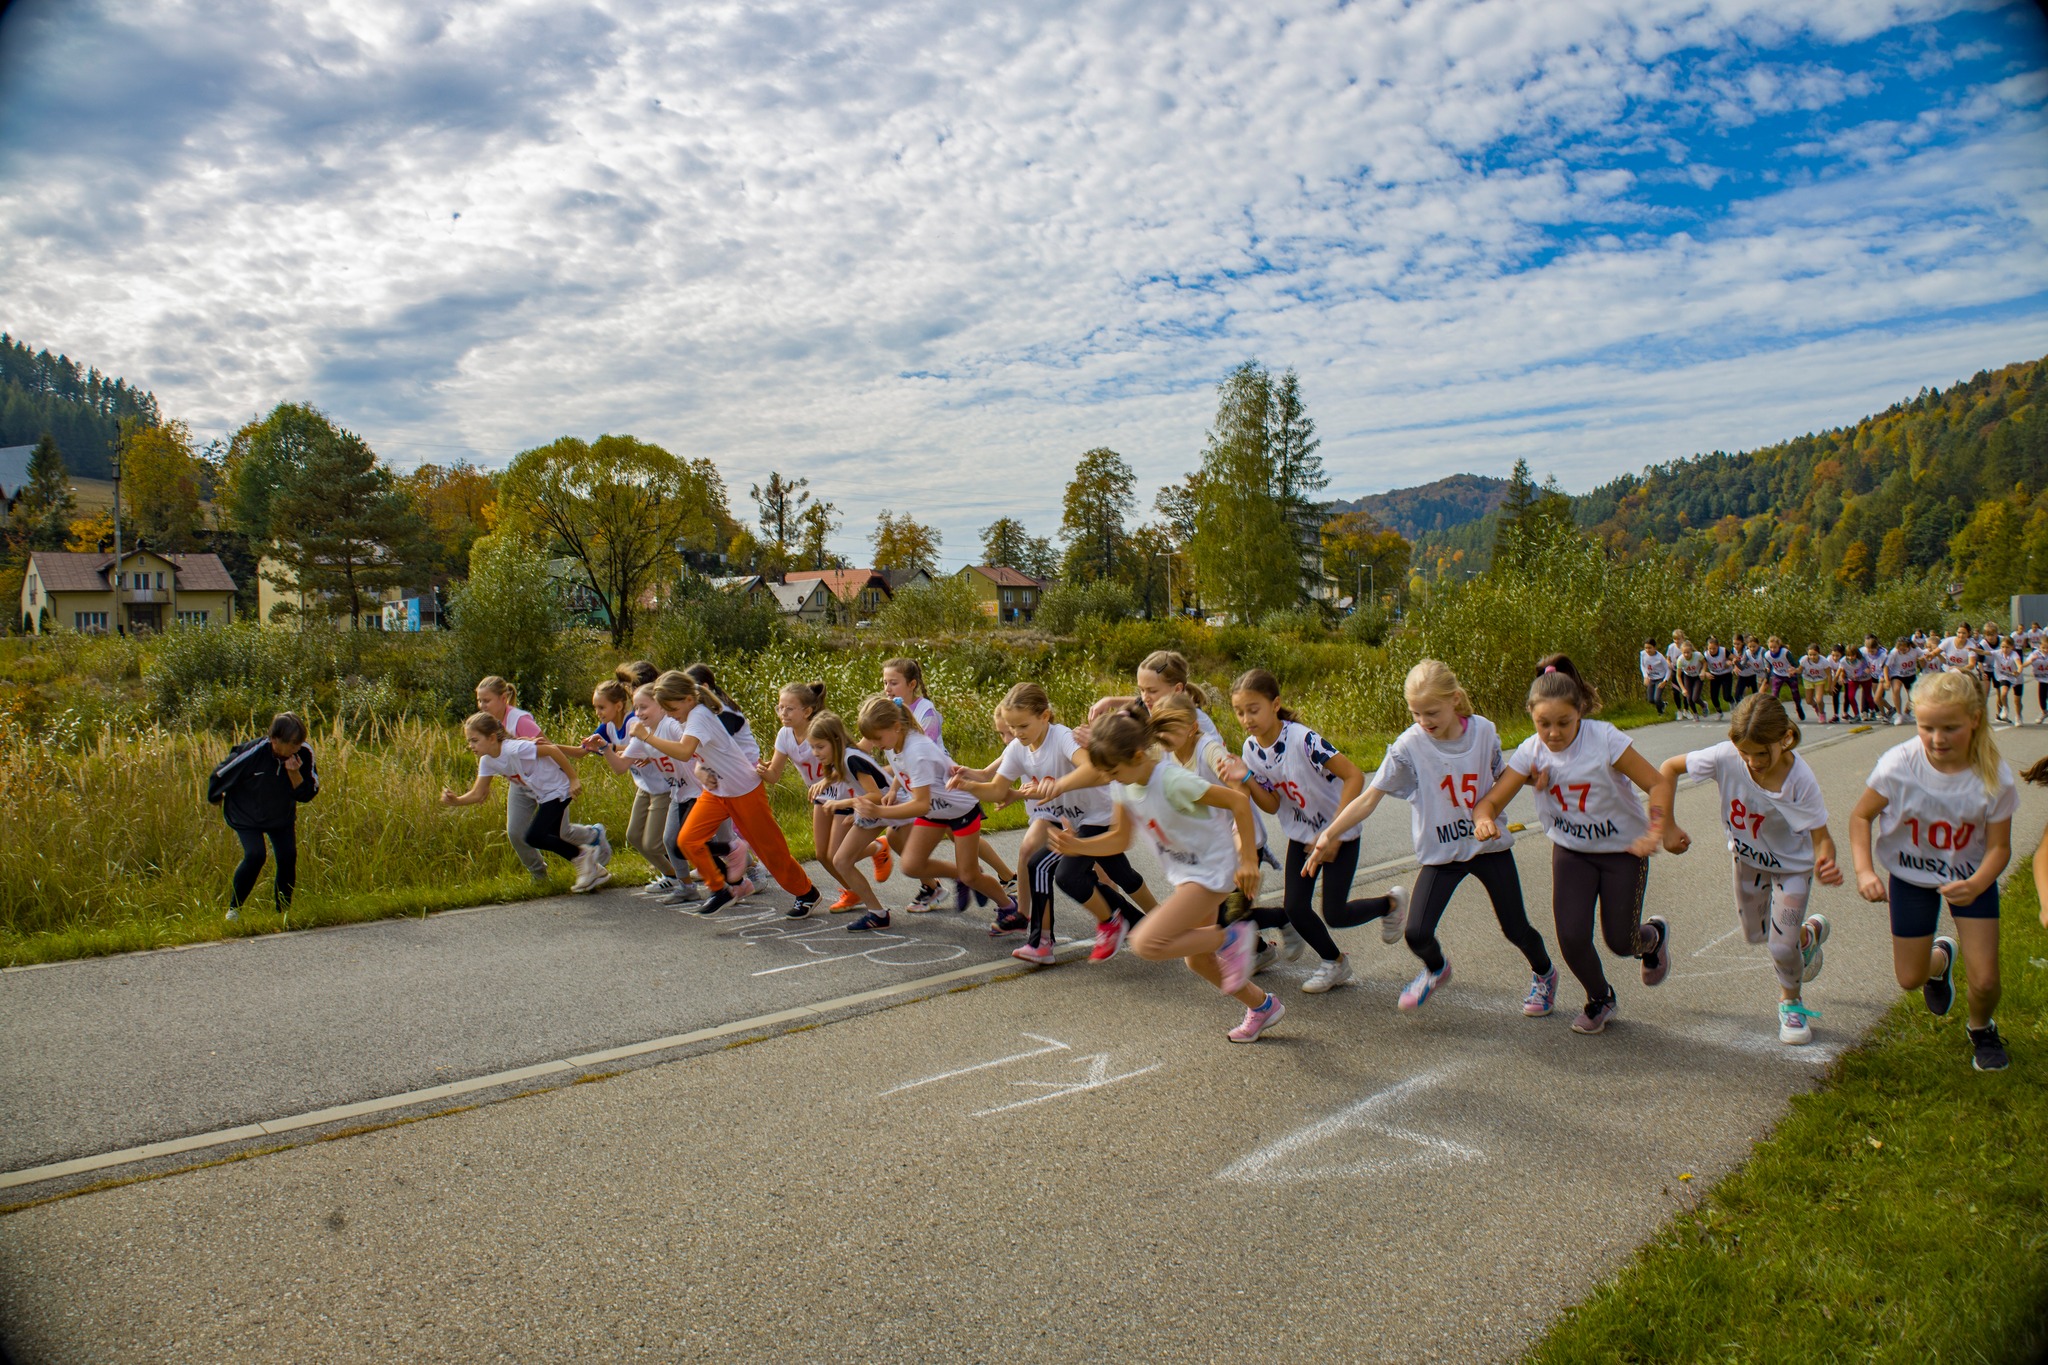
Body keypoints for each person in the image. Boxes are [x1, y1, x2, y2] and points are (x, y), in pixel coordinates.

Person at [1306, 660, 1557, 1016]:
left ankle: (1544, 973)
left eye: (1431, 712)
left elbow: (1502, 774)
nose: (1424, 721)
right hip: (1442, 852)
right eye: (1416, 713)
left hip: (1487, 847)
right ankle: (1437, 969)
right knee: (1417, 933)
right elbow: (1369, 797)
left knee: (1516, 928)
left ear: (1455, 700)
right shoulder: (1409, 746)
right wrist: (1329, 834)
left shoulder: (1484, 732)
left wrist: (1534, 778)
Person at [1049, 705, 1279, 1042]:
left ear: (1138, 755)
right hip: (1187, 871)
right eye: (1107, 774)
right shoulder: (1123, 785)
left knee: (1147, 942)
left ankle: (1231, 938)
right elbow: (1119, 838)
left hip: (1213, 869)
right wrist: (1077, 847)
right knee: (1197, 961)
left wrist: (1247, 859)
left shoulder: (1171, 780)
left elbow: (1238, 803)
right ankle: (1262, 1007)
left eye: (1114, 771)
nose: (1110, 779)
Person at [1472, 655, 1675, 1035]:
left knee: (1620, 941)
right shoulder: (1532, 750)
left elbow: (1658, 783)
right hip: (1572, 852)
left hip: (1624, 852)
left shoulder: (1606, 739)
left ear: (1579, 711)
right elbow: (1490, 801)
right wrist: (1484, 820)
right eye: (1543, 723)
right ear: (1532, 717)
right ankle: (1600, 997)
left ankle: (1652, 937)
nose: (1552, 733)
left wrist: (1658, 829)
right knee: (1571, 936)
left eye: (1563, 723)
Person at [1849, 672, 2017, 1072]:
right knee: (1909, 978)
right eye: (1927, 728)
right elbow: (1860, 816)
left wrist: (1977, 883)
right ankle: (1940, 961)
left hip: (1971, 880)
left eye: (1950, 728)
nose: (1937, 739)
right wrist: (1864, 871)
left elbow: (1999, 848)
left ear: (1975, 719)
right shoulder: (1898, 764)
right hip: (1909, 877)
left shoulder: (1994, 778)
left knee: (1987, 981)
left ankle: (1981, 1029)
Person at [1658, 695, 1840, 1045]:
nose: (1753, 761)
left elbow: (1822, 838)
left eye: (1762, 753)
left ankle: (1791, 1004)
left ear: (1785, 738)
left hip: (1792, 869)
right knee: (1760, 936)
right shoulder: (1726, 756)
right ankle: (1806, 937)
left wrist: (1825, 859)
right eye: (1746, 753)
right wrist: (1667, 826)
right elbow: (1668, 768)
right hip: (1748, 861)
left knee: (1780, 948)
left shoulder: (1799, 779)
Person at [1221, 667, 1404, 994]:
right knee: (1295, 907)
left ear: (1275, 704)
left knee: (1335, 913)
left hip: (1339, 833)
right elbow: (1273, 805)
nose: (1246, 718)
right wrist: (1246, 777)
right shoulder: (1251, 749)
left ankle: (1390, 904)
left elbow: (1354, 776)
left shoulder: (1303, 739)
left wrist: (1332, 832)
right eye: (1239, 712)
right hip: (1303, 836)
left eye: (1253, 709)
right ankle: (1334, 962)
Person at [953, 683, 1149, 965]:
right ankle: (1137, 923)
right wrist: (967, 786)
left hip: (1099, 816)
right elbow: (997, 790)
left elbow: (1095, 768)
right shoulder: (1018, 749)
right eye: (1012, 727)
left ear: (1045, 716)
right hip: (1074, 819)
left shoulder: (1062, 737)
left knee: (1063, 871)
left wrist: (1057, 787)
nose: (1017, 733)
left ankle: (1092, 928)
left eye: (1023, 726)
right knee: (1112, 875)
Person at [632, 669, 820, 918]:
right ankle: (721, 890)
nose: (669, 714)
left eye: (671, 708)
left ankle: (807, 893)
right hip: (717, 791)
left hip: (744, 791)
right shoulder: (686, 717)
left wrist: (646, 736)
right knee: (687, 840)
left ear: (688, 700)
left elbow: (684, 751)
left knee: (770, 851)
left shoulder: (699, 714)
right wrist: (700, 771)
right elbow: (700, 755)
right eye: (665, 709)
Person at [852, 693, 1021, 933]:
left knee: (972, 876)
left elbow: (920, 804)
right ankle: (961, 875)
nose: (876, 744)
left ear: (896, 726)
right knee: (911, 865)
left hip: (960, 810)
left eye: (877, 737)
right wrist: (893, 788)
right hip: (935, 811)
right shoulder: (895, 742)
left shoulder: (917, 750)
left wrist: (878, 810)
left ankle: (1009, 907)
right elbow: (904, 771)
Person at [884, 655, 1016, 905]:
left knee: (959, 836)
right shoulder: (890, 712)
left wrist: (892, 787)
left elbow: (918, 755)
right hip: (917, 784)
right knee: (896, 836)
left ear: (911, 684)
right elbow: (899, 761)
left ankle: (1002, 876)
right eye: (885, 683)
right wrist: (894, 787)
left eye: (893, 683)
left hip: (942, 784)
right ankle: (934, 883)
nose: (887, 689)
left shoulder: (926, 711)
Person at [441, 712, 608, 892]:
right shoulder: (487, 761)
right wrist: (456, 800)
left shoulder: (515, 748)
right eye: (469, 741)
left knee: (533, 836)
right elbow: (477, 793)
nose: (470, 746)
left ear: (491, 738)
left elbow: (552, 750)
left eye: (474, 740)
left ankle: (584, 855)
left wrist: (573, 779)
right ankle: (595, 869)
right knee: (550, 836)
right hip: (543, 795)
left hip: (558, 789)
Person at [474, 675, 608, 882]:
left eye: (486, 700)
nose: (482, 705)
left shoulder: (520, 720)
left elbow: (549, 748)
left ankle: (594, 836)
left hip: (547, 782)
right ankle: (539, 876)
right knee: (516, 833)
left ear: (503, 698)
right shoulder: (487, 725)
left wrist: (576, 757)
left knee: (560, 834)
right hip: (521, 784)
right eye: (479, 700)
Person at [208, 711, 319, 921]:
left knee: (288, 856)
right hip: (245, 814)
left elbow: (309, 793)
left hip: (280, 815)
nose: (297, 748)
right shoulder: (253, 752)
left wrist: (294, 774)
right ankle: (234, 910)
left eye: (300, 743)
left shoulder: (304, 752)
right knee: (256, 855)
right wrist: (215, 798)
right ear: (275, 740)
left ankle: (283, 912)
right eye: (293, 744)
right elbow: (220, 774)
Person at [758, 681, 851, 907]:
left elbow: (847, 763)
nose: (783, 713)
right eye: (780, 707)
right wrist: (759, 768)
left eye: (790, 708)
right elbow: (774, 776)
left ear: (807, 711)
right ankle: (852, 890)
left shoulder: (821, 730)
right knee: (822, 855)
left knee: (838, 854)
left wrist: (826, 780)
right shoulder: (784, 734)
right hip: (821, 796)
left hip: (843, 792)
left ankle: (877, 849)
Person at [581, 680, 679, 896]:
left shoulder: (643, 724)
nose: (597, 712)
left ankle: (682, 872)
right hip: (645, 786)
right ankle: (673, 875)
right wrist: (604, 747)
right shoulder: (616, 729)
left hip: (664, 788)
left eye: (601, 707)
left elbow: (663, 746)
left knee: (654, 843)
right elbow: (615, 763)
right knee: (634, 837)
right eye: (595, 707)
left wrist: (619, 748)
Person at [807, 712, 898, 921]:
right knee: (840, 860)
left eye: (820, 747)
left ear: (836, 741)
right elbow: (845, 774)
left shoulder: (852, 759)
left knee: (916, 864)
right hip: (875, 811)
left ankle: (953, 881)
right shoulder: (845, 757)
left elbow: (875, 795)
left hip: (893, 807)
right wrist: (826, 781)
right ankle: (877, 913)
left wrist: (843, 803)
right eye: (813, 747)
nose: (815, 753)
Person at [1883, 635, 1921, 725]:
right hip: (1897, 674)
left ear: (1909, 647)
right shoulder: (1894, 652)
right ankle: (1899, 715)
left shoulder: (1915, 650)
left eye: (1904, 650)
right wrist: (1887, 680)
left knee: (1912, 696)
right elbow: (1886, 667)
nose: (1902, 652)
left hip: (1910, 674)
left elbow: (1924, 655)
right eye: (1901, 650)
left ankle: (1907, 713)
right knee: (1896, 689)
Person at [1703, 635, 1734, 718]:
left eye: (1714, 648)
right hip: (1714, 675)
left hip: (1726, 674)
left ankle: (1732, 702)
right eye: (1710, 649)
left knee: (1726, 696)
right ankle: (1719, 711)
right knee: (1713, 697)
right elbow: (1702, 666)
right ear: (1707, 648)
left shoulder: (1723, 651)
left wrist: (1729, 661)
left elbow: (1734, 658)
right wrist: (1706, 673)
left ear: (1718, 646)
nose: (1712, 650)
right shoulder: (1706, 654)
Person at [1639, 639, 1671, 717]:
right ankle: (1663, 704)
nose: (1647, 650)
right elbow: (1642, 665)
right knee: (1651, 699)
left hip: (1660, 679)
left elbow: (1668, 670)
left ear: (1654, 648)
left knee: (1657, 698)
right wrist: (1645, 676)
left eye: (1649, 648)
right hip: (1651, 678)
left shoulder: (1660, 657)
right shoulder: (1643, 654)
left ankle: (1660, 713)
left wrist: (1665, 681)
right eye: (1646, 648)